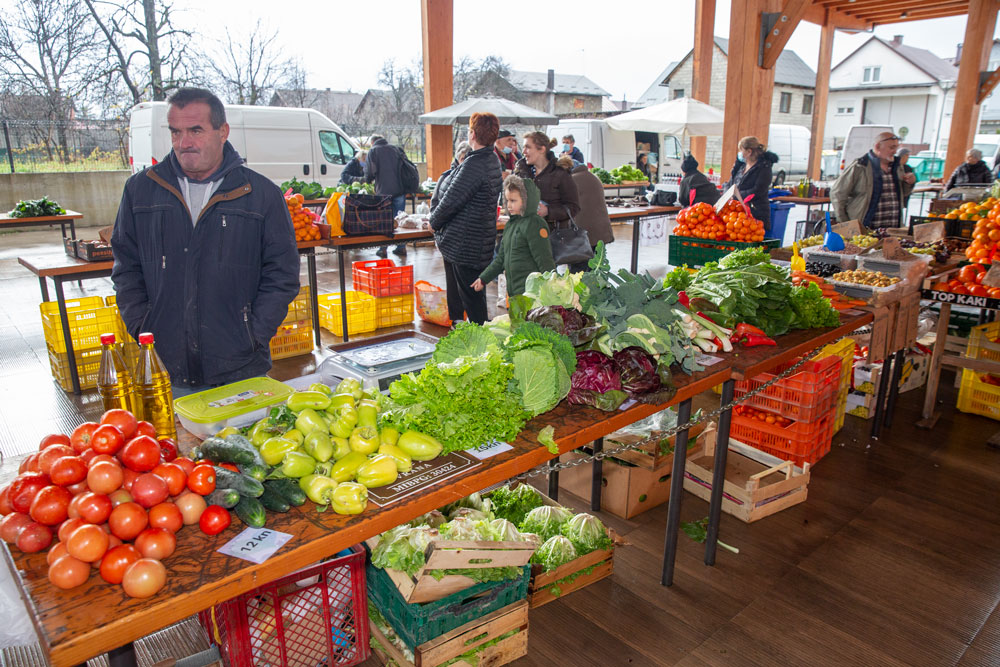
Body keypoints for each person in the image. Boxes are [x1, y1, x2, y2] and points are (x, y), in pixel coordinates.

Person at [111, 87, 299, 394]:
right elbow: (126, 270)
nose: (183, 143)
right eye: (175, 132)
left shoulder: (261, 195)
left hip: (241, 367)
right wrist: (143, 326)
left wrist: (253, 334)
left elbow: (283, 275)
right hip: (166, 367)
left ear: (223, 131)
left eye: (195, 131)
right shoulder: (140, 191)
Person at [430, 112, 503, 325]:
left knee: (471, 300)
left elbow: (451, 200)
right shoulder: (491, 159)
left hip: (466, 244)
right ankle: (464, 332)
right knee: (469, 295)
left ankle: (479, 339)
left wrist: (433, 223)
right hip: (476, 240)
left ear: (472, 134)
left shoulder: (475, 164)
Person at [474, 175, 555, 298]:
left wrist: (553, 289)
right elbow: (501, 259)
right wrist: (484, 278)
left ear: (526, 200)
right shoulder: (510, 225)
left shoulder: (534, 224)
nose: (509, 205)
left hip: (532, 293)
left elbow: (544, 260)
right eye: (507, 200)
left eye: (513, 201)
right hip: (514, 293)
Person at [832, 132, 915, 229]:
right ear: (878, 146)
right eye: (891, 148)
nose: (895, 151)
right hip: (865, 230)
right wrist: (846, 223)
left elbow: (903, 194)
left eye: (896, 147)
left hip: (893, 230)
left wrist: (909, 183)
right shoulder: (860, 166)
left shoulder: (897, 167)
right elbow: (837, 193)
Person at [515, 132, 580, 228]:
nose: (523, 151)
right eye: (524, 147)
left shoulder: (560, 173)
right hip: (525, 231)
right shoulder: (521, 172)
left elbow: (573, 207)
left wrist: (548, 211)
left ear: (542, 149)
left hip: (553, 233)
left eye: (528, 147)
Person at [365, 134, 407, 257]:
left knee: (384, 221)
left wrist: (368, 180)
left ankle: (383, 248)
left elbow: (370, 172)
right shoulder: (395, 149)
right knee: (400, 219)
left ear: (373, 142)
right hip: (399, 190)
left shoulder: (373, 151)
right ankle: (401, 247)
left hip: (383, 192)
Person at [568, 163, 614, 272]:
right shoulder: (593, 177)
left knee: (579, 272)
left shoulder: (572, 180)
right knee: (596, 269)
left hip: (582, 235)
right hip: (600, 232)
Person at [724, 136, 779, 228]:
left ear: (749, 152)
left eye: (741, 150)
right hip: (739, 214)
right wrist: (727, 193)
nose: (740, 153)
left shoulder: (764, 168)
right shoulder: (741, 167)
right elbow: (731, 183)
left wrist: (736, 196)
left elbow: (758, 190)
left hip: (756, 213)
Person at [430, 141, 471, 211]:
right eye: (463, 159)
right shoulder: (445, 177)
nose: (465, 162)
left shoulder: (476, 179)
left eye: (467, 158)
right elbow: (434, 204)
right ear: (457, 159)